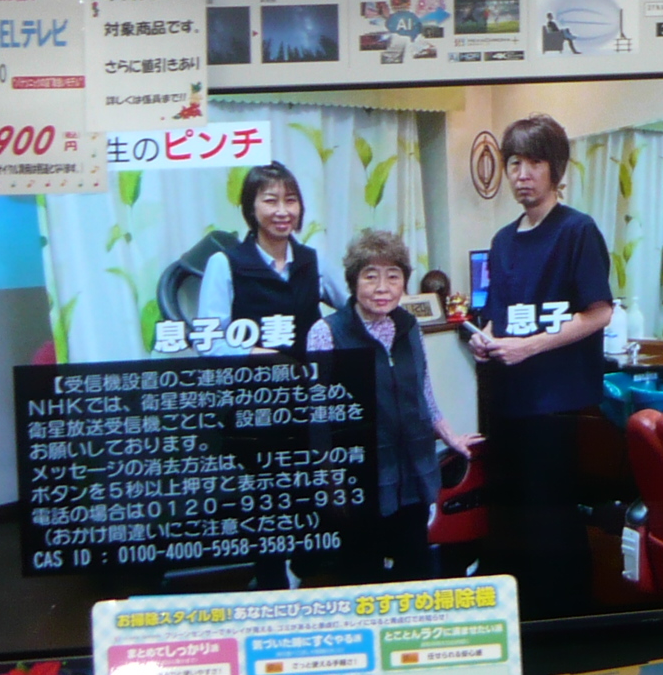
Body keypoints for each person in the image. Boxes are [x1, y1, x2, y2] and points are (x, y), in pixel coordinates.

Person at [467, 113, 611, 618]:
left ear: (555, 169)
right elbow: (498, 316)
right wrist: (485, 341)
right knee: (513, 516)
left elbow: (599, 313)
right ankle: (521, 618)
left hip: (556, 404)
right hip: (509, 400)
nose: (522, 174)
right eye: (513, 163)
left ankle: (567, 621)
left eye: (533, 163)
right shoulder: (503, 239)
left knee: (553, 518)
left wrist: (529, 347)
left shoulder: (578, 230)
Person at [306, 231, 471, 582]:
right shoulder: (328, 332)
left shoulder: (409, 327)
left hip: (411, 468)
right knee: (361, 576)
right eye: (371, 276)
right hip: (359, 477)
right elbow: (318, 418)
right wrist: (329, 480)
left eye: (393, 276)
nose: (382, 288)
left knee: (416, 573)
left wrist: (451, 436)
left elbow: (424, 393)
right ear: (353, 281)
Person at [194, 160, 341, 344]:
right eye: (271, 201)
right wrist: (249, 352)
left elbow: (355, 308)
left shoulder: (314, 260)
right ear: (251, 208)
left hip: (308, 362)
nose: (283, 211)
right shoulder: (224, 263)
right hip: (254, 363)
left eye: (290, 201)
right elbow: (208, 342)